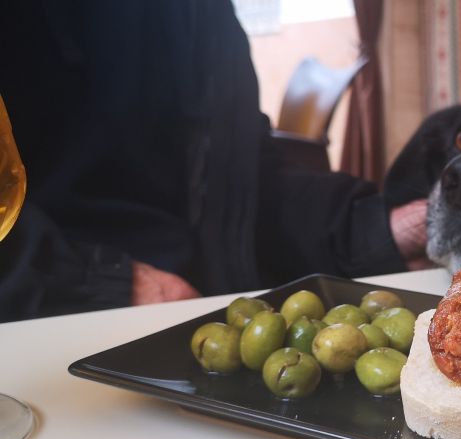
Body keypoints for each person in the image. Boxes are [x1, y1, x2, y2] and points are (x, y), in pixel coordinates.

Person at [0, 0, 427, 322]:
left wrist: (369, 230)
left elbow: (244, 177)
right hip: (44, 347)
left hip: (204, 323)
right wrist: (96, 284)